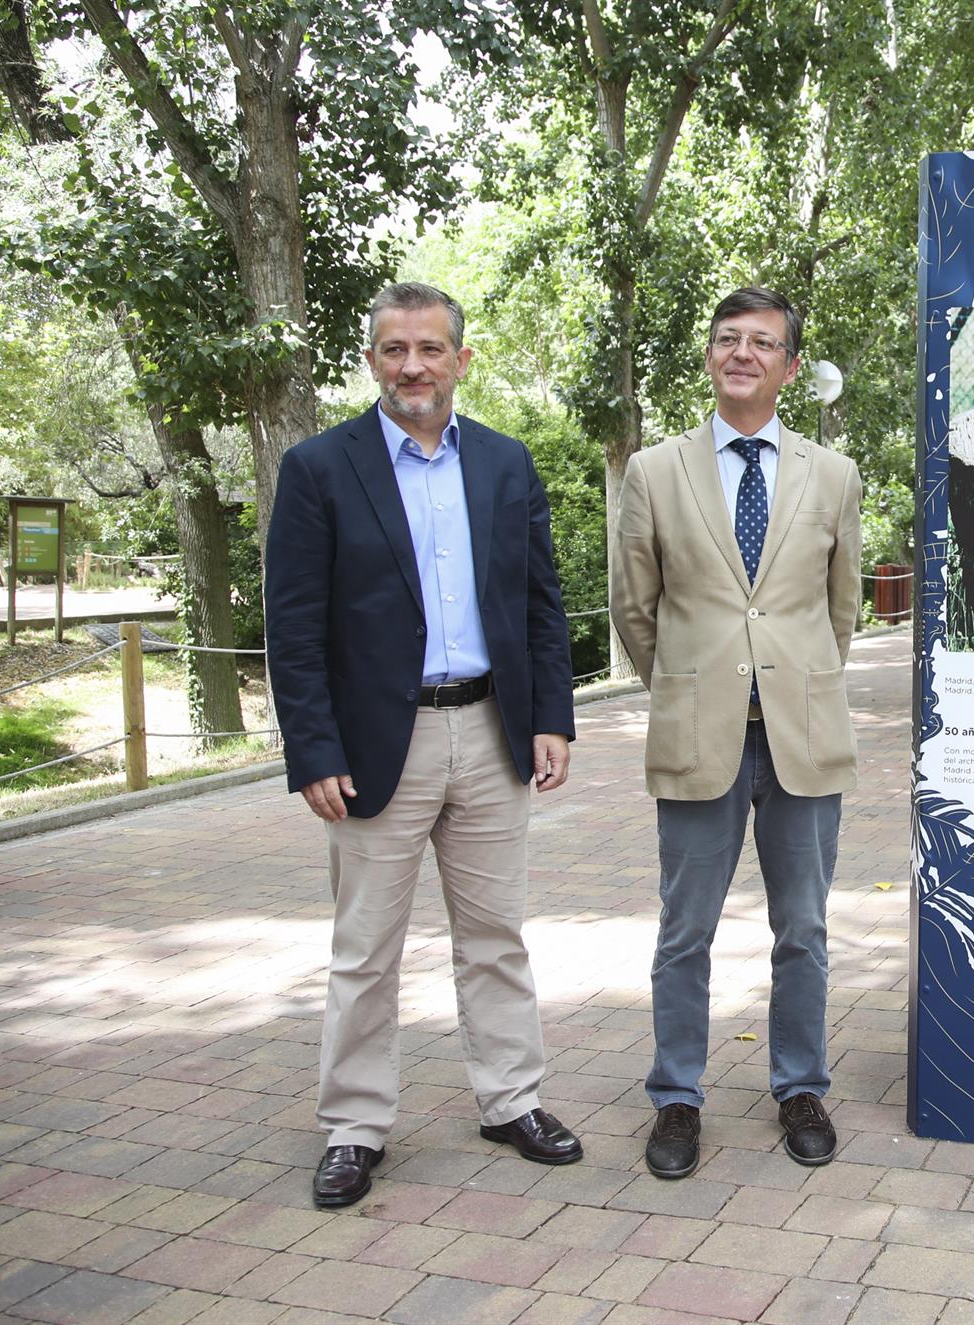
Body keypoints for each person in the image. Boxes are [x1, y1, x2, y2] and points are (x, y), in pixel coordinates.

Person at [266, 281, 584, 1208]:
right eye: (395, 349)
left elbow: (540, 605)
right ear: (371, 359)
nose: (413, 366)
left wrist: (550, 717)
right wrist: (313, 749)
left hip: (491, 732)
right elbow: (293, 625)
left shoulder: (505, 464)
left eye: (430, 349)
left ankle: (511, 1099)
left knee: (496, 937)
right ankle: (356, 1124)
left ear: (461, 359)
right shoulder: (320, 468)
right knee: (366, 947)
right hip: (374, 745)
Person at [610, 286, 862, 1179]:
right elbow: (634, 610)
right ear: (711, 358)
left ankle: (800, 1084)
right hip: (697, 733)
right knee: (685, 932)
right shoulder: (655, 471)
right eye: (728, 340)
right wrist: (692, 684)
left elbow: (843, 610)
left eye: (763, 342)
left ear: (791, 366)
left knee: (804, 928)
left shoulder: (833, 475)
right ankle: (676, 1098)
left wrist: (786, 682)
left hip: (803, 735)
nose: (742, 353)